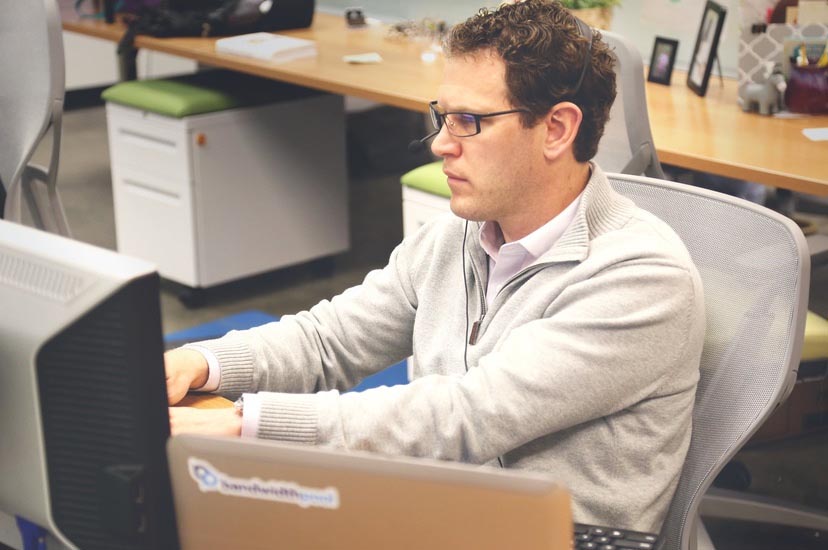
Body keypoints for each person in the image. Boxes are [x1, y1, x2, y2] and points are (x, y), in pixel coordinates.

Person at [165, 0, 705, 533]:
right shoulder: (460, 233)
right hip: (439, 501)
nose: (441, 145)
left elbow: (465, 416)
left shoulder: (641, 276)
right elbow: (331, 340)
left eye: (468, 121)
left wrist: (245, 423)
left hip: (554, 535)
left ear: (558, 129)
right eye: (442, 117)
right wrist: (199, 362)